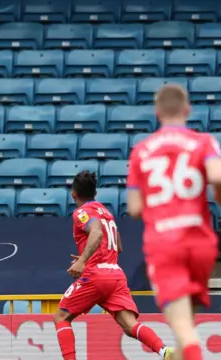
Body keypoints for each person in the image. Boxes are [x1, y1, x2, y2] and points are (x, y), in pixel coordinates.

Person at [127, 84, 221, 360]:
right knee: (185, 324)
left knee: (183, 329)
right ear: (187, 110)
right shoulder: (204, 142)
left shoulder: (141, 151)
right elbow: (216, 176)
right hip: (201, 244)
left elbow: (133, 208)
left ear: (157, 113)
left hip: (165, 244)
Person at [54, 171, 172, 360]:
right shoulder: (106, 212)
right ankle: (164, 351)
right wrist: (88, 253)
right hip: (115, 274)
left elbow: (97, 233)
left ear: (73, 194)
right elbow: (117, 245)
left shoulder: (82, 213)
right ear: (95, 193)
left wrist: (84, 260)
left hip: (96, 276)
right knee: (129, 325)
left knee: (61, 317)